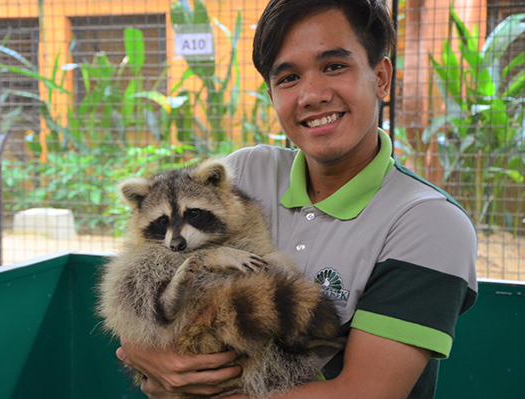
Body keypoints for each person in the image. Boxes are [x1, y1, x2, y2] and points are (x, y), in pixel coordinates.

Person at [115, 0, 479, 398]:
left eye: (334, 66)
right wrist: (145, 353)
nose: (311, 95)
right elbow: (143, 282)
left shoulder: (429, 223)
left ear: (381, 77)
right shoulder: (246, 172)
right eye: (288, 77)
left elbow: (365, 393)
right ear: (271, 94)